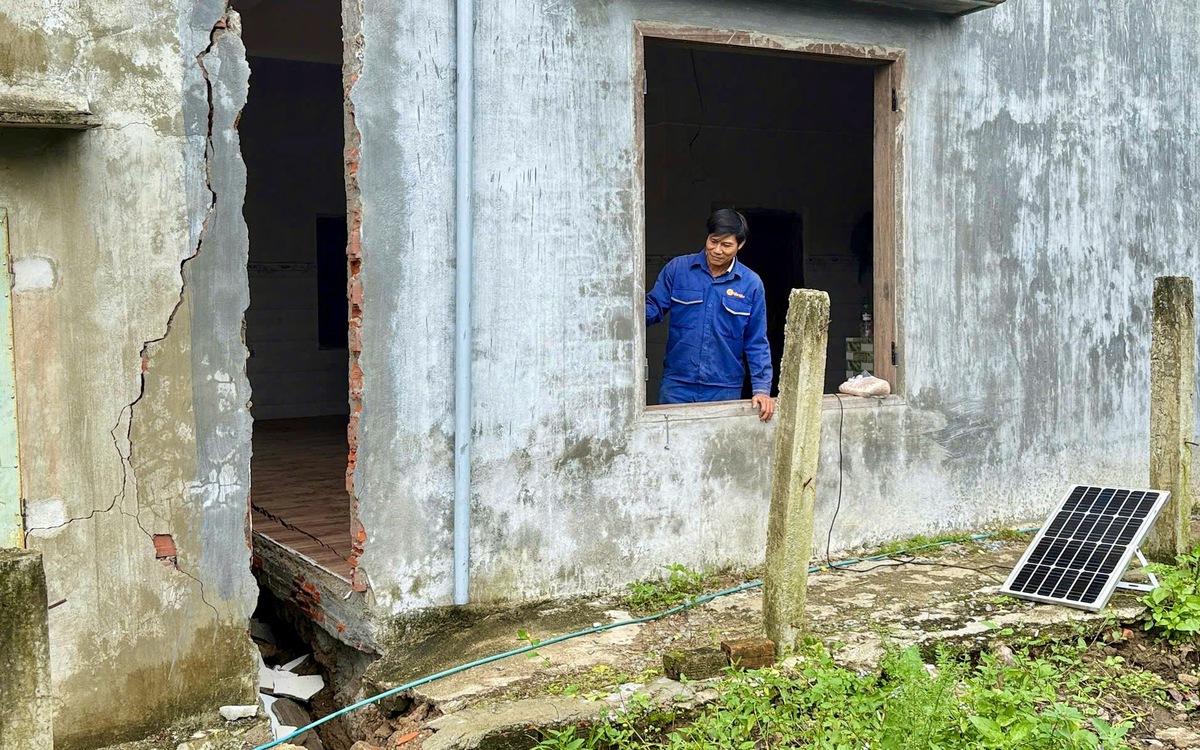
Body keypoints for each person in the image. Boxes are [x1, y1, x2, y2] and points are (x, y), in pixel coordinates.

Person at [646, 209, 775, 421]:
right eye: (713, 241)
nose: (717, 250)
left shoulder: (751, 284)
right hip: (678, 383)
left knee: (718, 442)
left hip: (724, 387)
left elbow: (756, 341)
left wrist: (761, 388)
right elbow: (652, 307)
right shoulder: (678, 269)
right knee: (672, 440)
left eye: (726, 245)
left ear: (740, 245)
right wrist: (621, 318)